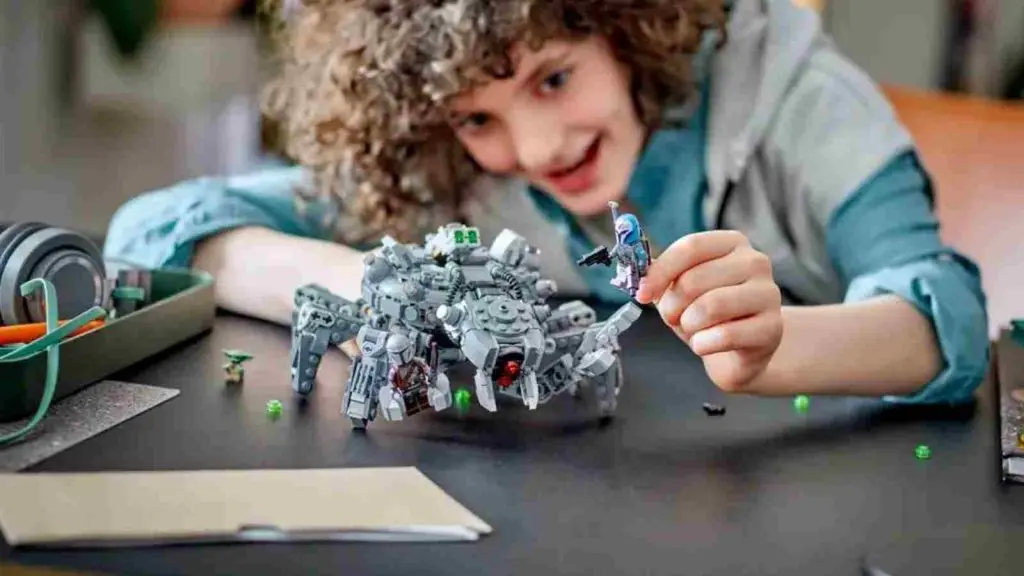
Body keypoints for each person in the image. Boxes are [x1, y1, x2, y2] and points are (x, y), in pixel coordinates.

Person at [103, 0, 990, 404]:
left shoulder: (803, 102)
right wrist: (378, 280)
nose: (531, 150)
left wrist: (777, 346)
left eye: (555, 78)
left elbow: (943, 310)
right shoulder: (455, 168)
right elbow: (158, 231)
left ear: (630, 27)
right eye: (478, 118)